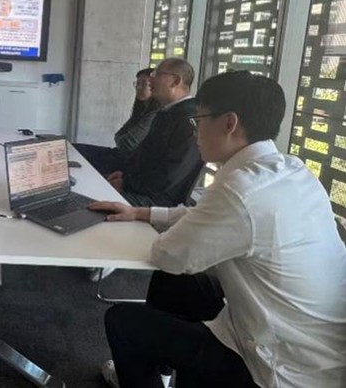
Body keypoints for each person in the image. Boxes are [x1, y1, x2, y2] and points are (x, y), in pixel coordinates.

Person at [89, 71, 346, 388]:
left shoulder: (240, 190)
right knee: (176, 283)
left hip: (277, 368)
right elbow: (205, 217)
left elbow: (169, 255)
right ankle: (165, 373)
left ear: (229, 123)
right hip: (313, 347)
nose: (194, 131)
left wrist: (156, 228)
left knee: (123, 323)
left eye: (198, 120)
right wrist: (140, 213)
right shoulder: (291, 170)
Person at [108, 58, 202, 207]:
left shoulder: (188, 121)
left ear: (175, 81)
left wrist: (126, 184)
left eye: (156, 74)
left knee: (91, 200)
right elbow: (146, 158)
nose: (150, 80)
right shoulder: (166, 113)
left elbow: (168, 177)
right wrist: (124, 176)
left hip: (159, 203)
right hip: (141, 190)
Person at [74, 68, 159, 175]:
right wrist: (122, 141)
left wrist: (122, 141)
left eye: (143, 84)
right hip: (120, 155)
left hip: (131, 163)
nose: (139, 88)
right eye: (137, 84)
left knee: (82, 159)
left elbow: (127, 144)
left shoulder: (155, 114)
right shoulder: (140, 111)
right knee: (74, 148)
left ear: (154, 87)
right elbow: (118, 135)